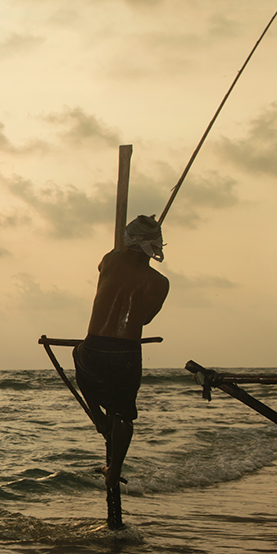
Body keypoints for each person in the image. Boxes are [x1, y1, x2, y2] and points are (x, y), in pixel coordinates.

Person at [74, 214, 169, 505]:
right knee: (125, 414)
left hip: (95, 348)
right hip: (127, 353)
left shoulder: (110, 260)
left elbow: (104, 267)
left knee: (79, 355)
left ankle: (98, 416)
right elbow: (147, 319)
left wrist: (121, 250)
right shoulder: (160, 283)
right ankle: (114, 471)